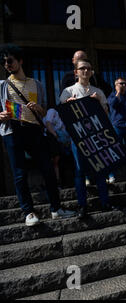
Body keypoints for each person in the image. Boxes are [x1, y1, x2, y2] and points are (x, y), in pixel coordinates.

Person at [0, 44, 75, 226]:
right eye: (3, 62)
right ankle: (29, 212)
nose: (6, 64)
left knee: (48, 169)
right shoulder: (2, 85)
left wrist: (39, 109)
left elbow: (43, 110)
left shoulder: (37, 84)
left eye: (9, 60)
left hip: (34, 129)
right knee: (19, 174)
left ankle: (56, 209)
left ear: (20, 61)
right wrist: (1, 116)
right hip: (13, 130)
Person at [60, 59, 120, 218]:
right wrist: (68, 104)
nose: (85, 71)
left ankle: (105, 202)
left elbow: (106, 115)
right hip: (78, 138)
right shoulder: (68, 91)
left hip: (97, 136)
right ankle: (82, 206)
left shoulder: (98, 92)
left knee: (101, 170)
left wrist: (99, 103)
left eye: (88, 68)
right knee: (80, 171)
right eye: (82, 68)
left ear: (92, 72)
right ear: (76, 72)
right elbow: (62, 114)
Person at [43, 106, 72, 187]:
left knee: (60, 160)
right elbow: (48, 124)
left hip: (60, 140)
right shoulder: (52, 111)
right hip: (52, 137)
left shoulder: (64, 119)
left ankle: (61, 182)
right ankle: (55, 183)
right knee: (55, 160)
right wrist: (55, 136)